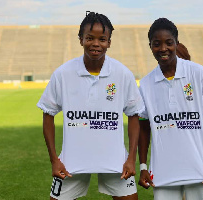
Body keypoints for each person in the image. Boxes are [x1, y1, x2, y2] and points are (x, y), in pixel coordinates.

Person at [37, 12, 144, 200]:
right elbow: (48, 114)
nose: (96, 44)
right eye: (89, 38)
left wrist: (131, 159)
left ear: (109, 42)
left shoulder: (122, 74)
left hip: (116, 161)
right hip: (71, 161)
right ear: (81, 40)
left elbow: (134, 116)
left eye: (102, 39)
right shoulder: (63, 74)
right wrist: (55, 160)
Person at [138, 18, 203, 200]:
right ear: (150, 46)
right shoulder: (145, 84)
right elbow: (144, 128)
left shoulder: (199, 73)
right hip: (163, 174)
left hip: (201, 171)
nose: (163, 49)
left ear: (176, 43)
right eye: (156, 44)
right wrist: (143, 166)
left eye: (169, 43)